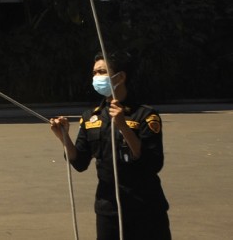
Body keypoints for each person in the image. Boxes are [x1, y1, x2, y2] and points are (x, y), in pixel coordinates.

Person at [49, 51, 170, 239]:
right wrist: (63, 137)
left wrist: (123, 126)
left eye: (102, 72)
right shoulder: (91, 117)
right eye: (95, 73)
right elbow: (80, 162)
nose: (97, 78)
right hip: (108, 209)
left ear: (120, 77)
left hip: (146, 208)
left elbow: (153, 163)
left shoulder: (144, 115)